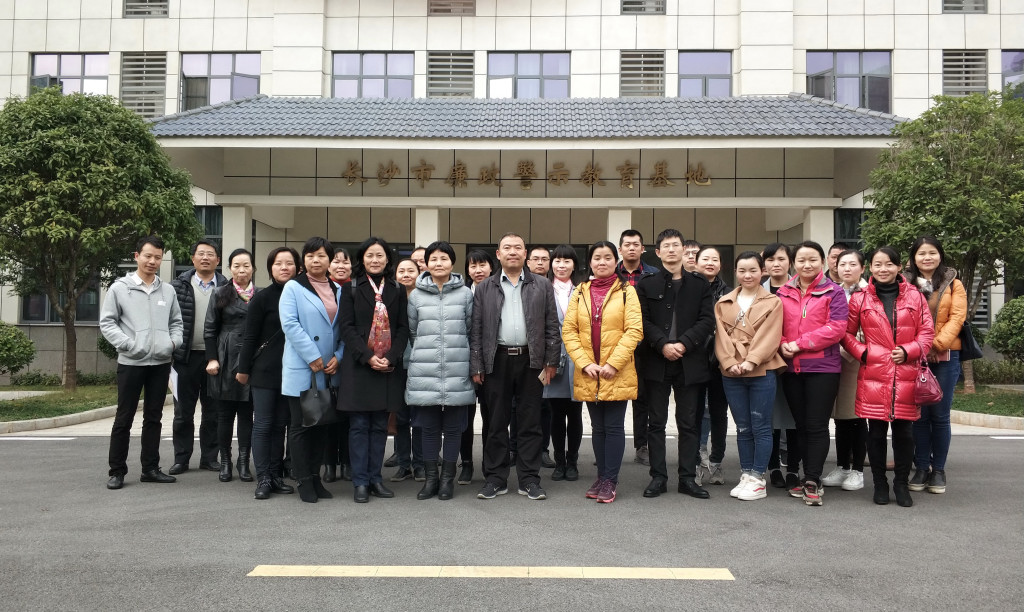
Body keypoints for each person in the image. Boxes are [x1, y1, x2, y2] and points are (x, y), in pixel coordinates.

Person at [470, 232, 560, 501]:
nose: (512, 252)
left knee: (530, 422)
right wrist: (477, 364)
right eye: (507, 248)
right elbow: (476, 330)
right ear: (498, 254)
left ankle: (529, 479)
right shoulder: (485, 287)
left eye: (517, 248)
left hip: (531, 360)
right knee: (496, 422)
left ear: (525, 254)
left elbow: (552, 326)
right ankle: (495, 478)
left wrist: (551, 361)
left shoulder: (542, 285)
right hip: (496, 360)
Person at [844, 247, 934, 507]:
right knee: (875, 432)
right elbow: (846, 334)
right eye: (878, 264)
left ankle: (901, 484)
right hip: (874, 373)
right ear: (870, 268)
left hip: (906, 372)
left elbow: (927, 332)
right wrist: (863, 353)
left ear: (899, 267)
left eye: (889, 264)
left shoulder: (916, 296)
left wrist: (909, 351)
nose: (883, 269)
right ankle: (880, 484)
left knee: (905, 433)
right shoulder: (860, 299)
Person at [635, 229, 715, 500]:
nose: (671, 250)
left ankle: (687, 478)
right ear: (658, 253)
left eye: (676, 245)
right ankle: (658, 477)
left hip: (690, 361)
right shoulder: (646, 284)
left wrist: (683, 344)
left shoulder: (699, 284)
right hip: (656, 361)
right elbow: (642, 320)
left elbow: (707, 320)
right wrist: (663, 344)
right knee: (656, 422)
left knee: (689, 423)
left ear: (684, 250)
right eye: (666, 246)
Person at [562, 241, 644, 503]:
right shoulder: (580, 291)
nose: (602, 262)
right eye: (597, 258)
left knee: (613, 426)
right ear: (590, 262)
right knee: (597, 427)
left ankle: (610, 479)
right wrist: (585, 363)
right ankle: (601, 477)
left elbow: (634, 330)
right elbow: (569, 330)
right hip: (589, 371)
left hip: (615, 371)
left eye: (607, 257)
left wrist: (613, 364)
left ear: (615, 260)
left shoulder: (627, 291)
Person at [100, 235, 183, 489]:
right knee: (124, 418)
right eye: (148, 256)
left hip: (160, 363)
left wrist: (172, 343)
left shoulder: (167, 290)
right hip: (131, 362)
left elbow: (176, 323)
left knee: (154, 418)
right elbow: (107, 323)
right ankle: (117, 471)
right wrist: (129, 344)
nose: (152, 261)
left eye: (157, 257)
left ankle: (150, 468)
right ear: (137, 256)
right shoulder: (119, 288)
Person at [777, 241, 849, 506]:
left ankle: (812, 479)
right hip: (791, 368)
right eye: (801, 260)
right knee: (801, 425)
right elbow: (774, 325)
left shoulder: (834, 292)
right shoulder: (783, 292)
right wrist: (782, 342)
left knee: (817, 425)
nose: (807, 265)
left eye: (813, 260)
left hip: (822, 368)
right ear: (793, 263)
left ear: (823, 262)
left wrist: (799, 344)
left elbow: (837, 328)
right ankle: (808, 475)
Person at [338, 237, 410, 503]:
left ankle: (375, 478)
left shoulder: (397, 289)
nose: (375, 260)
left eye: (380, 255)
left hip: (387, 368)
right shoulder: (350, 288)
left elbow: (403, 328)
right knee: (358, 426)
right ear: (362, 259)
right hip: (359, 366)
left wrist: (390, 357)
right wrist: (368, 357)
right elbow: (346, 328)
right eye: (370, 255)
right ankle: (360, 482)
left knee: (380, 426)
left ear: (388, 259)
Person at [406, 241, 475, 500]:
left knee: (454, 428)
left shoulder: (465, 294)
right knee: (429, 428)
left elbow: (470, 330)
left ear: (452, 263)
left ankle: (447, 480)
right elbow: (413, 332)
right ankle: (431, 479)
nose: (438, 263)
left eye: (444, 258)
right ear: (426, 263)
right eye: (433, 259)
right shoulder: (416, 296)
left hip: (458, 368)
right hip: (425, 370)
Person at [714, 251, 786, 501]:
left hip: (761, 368)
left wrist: (751, 361)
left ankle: (758, 478)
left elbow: (770, 335)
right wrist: (729, 362)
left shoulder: (773, 302)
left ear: (762, 271)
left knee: (761, 426)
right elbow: (721, 337)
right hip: (731, 371)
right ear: (735, 272)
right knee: (743, 426)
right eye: (742, 270)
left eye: (753, 270)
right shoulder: (723, 302)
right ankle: (746, 473)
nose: (748, 275)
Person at [279, 237, 344, 503]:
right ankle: (303, 480)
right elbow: (290, 324)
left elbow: (344, 329)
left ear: (330, 260)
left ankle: (316, 478)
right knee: (300, 427)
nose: (315, 260)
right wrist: (312, 355)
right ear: (303, 260)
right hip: (303, 367)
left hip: (328, 370)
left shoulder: (338, 289)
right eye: (310, 256)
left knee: (321, 426)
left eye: (321, 255)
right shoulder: (293, 287)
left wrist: (339, 356)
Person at [905, 235, 967, 494]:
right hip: (914, 356)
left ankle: (938, 470)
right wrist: (920, 347)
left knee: (940, 416)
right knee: (919, 416)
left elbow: (957, 318)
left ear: (940, 255)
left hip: (945, 357)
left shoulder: (953, 284)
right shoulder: (905, 283)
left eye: (932, 252)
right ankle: (921, 467)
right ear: (914, 258)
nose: (927, 257)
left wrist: (935, 345)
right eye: (921, 253)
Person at [237, 247, 300, 500]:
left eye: (289, 263)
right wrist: (243, 369)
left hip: (292, 372)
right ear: (270, 268)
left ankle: (275, 475)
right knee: (263, 424)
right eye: (278, 263)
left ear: (297, 267)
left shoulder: (302, 295)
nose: (284, 267)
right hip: (264, 371)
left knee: (281, 425)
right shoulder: (262, 298)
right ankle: (263, 477)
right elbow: (250, 336)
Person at [169, 240, 226, 475]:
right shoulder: (177, 286)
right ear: (192, 258)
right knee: (183, 412)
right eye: (200, 254)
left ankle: (209, 458)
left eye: (210, 254)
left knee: (213, 412)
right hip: (185, 358)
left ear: (218, 260)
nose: (205, 258)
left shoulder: (227, 287)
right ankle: (181, 459)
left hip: (216, 359)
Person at [204, 248, 258, 483]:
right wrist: (212, 359)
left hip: (253, 358)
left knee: (247, 414)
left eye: (246, 265)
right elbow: (209, 329)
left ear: (253, 268)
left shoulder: (261, 294)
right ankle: (225, 461)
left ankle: (244, 462)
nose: (241, 270)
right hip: (225, 356)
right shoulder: (219, 293)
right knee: (224, 414)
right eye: (236, 266)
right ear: (229, 269)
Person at [822, 249, 868, 492]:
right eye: (842, 264)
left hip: (859, 360)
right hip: (835, 359)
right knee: (840, 417)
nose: (847, 269)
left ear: (862, 268)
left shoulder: (869, 293)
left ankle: (858, 470)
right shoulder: (833, 291)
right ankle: (843, 466)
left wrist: (853, 347)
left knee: (857, 416)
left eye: (852, 264)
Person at [615, 229, 658, 467]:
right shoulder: (610, 274)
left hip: (648, 345)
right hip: (617, 345)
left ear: (643, 249)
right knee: (615, 396)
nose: (631, 248)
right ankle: (610, 444)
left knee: (645, 398)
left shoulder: (654, 275)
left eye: (636, 244)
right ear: (620, 249)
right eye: (627, 244)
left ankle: (643, 445)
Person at [458, 249, 497, 485]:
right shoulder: (462, 294)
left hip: (492, 365)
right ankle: (466, 464)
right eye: (473, 266)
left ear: (491, 267)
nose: (478, 270)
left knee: (491, 418)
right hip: (464, 364)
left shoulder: (498, 292)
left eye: (482, 265)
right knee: (465, 418)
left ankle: (489, 465)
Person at [545, 245, 583, 482]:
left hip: (578, 359)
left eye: (567, 261)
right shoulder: (543, 288)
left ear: (574, 265)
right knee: (556, 414)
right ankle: (559, 462)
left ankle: (573, 461)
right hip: (552, 358)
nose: (561, 265)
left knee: (575, 412)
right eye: (557, 261)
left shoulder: (583, 290)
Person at [694, 245, 731, 486]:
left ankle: (716, 461)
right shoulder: (687, 288)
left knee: (719, 413)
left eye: (714, 259)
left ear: (720, 264)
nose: (710, 263)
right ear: (696, 263)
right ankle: (697, 461)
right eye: (705, 259)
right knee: (695, 412)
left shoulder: (729, 293)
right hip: (694, 358)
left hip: (721, 360)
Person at [386, 257, 425, 483]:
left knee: (419, 418)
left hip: (420, 365)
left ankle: (420, 464)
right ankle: (403, 464)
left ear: (419, 274)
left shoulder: (424, 298)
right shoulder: (390, 299)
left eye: (411, 270)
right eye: (401, 271)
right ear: (395, 275)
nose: (406, 274)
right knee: (400, 418)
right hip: (396, 366)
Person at [761, 242, 795, 488]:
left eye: (781, 259)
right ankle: (773, 467)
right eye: (771, 259)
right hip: (766, 361)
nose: (776, 264)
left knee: (793, 416)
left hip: (795, 358)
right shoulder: (758, 290)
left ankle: (793, 468)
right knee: (770, 416)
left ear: (789, 262)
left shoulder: (799, 289)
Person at [323, 249, 353, 483]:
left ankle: (348, 463)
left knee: (349, 418)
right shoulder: (322, 289)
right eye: (336, 261)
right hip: (324, 362)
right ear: (328, 265)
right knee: (328, 416)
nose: (341, 265)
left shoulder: (356, 289)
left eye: (346, 261)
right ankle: (329, 463)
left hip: (349, 362)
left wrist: (340, 355)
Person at [527, 245, 556, 469]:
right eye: (535, 259)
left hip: (547, 356)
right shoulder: (521, 286)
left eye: (544, 259)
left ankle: (543, 449)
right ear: (527, 262)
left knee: (545, 407)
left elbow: (553, 326)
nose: (540, 263)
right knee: (519, 407)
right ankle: (516, 448)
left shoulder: (552, 287)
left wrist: (551, 359)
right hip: (524, 357)